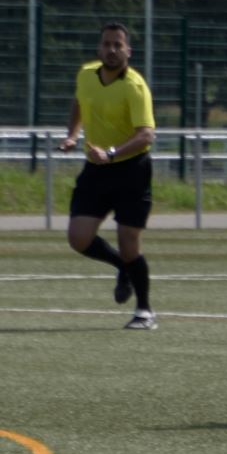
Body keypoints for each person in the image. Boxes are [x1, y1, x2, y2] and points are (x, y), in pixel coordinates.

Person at [56, 22, 158, 330]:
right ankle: (122, 268)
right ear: (99, 48)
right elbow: (79, 102)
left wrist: (112, 152)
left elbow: (146, 135)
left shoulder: (135, 86)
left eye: (118, 45)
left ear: (129, 50)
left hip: (131, 171)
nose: (111, 50)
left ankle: (145, 311)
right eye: (106, 44)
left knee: (129, 244)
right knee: (78, 238)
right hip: (96, 171)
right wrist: (72, 135)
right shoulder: (87, 75)